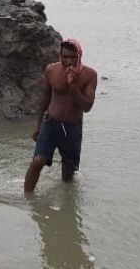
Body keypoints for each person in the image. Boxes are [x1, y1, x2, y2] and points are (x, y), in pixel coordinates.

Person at [24, 39, 98, 193]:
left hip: (72, 127)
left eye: (73, 57)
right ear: (60, 55)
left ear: (79, 56)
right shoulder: (51, 70)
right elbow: (45, 97)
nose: (68, 61)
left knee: (68, 173)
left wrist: (73, 87)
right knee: (38, 161)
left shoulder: (89, 75)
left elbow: (87, 107)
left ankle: (66, 207)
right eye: (65, 57)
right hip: (51, 122)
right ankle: (27, 199)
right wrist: (38, 125)